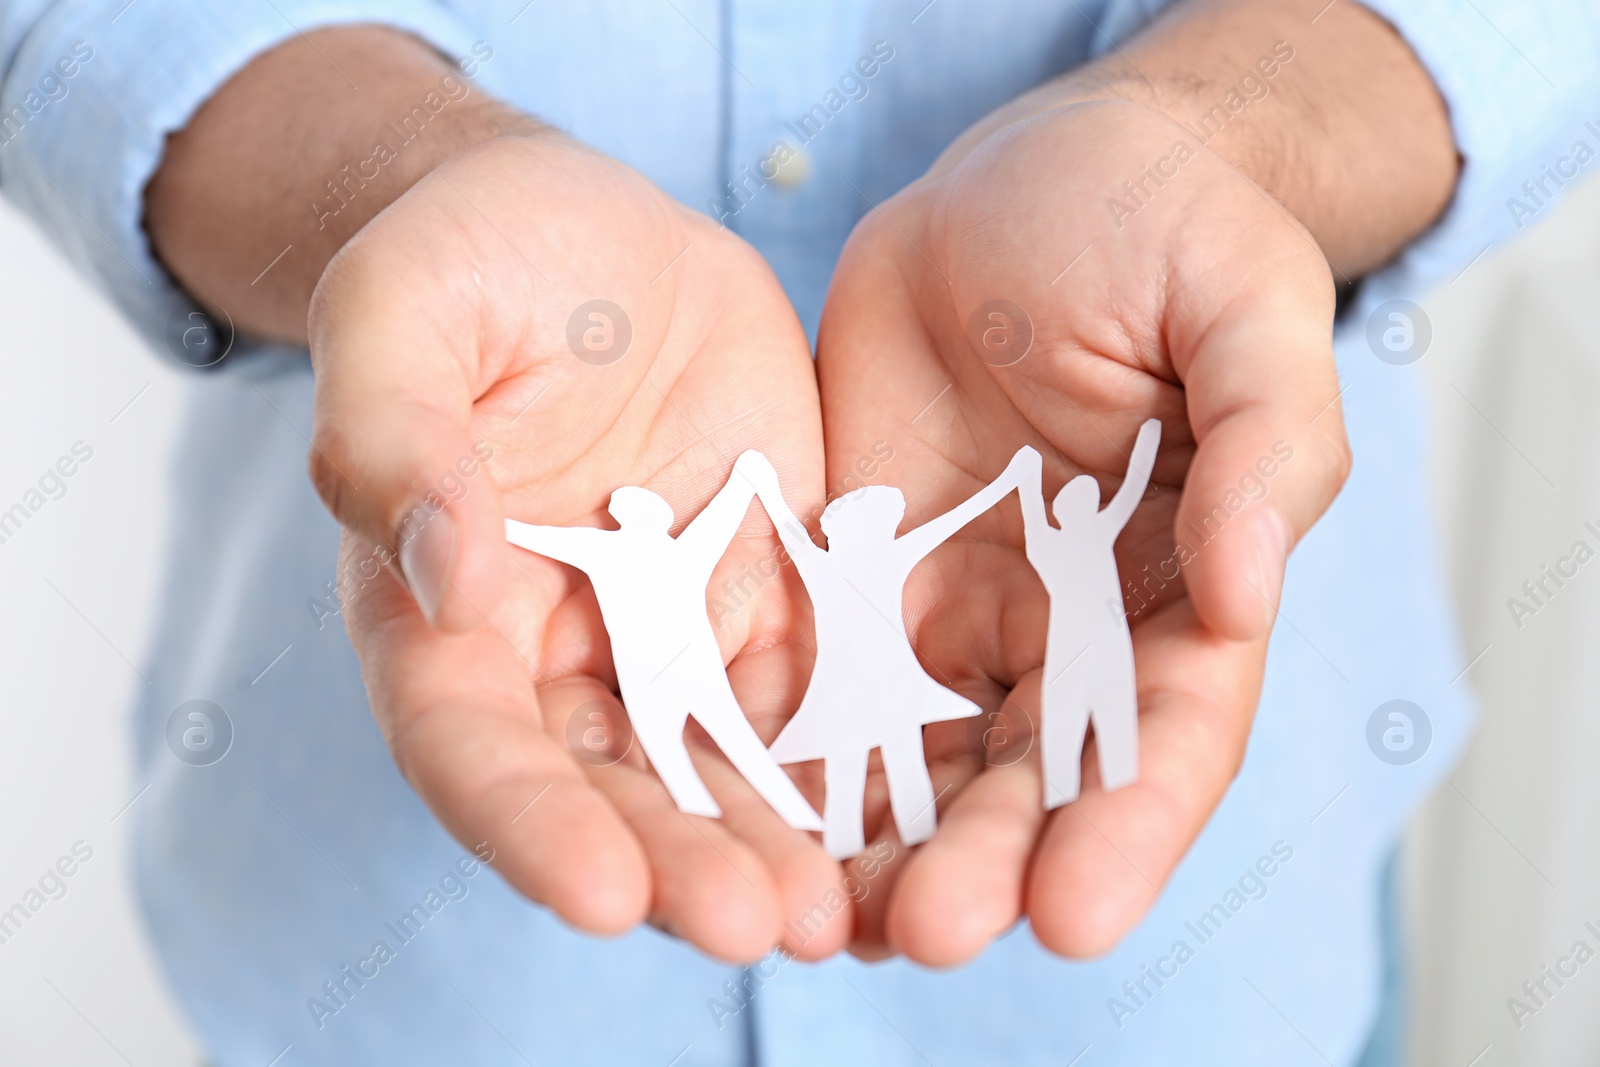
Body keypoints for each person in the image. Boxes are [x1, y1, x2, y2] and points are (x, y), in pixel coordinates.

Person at [2, 0, 1595, 1063]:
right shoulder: (630, 561)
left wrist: (1232, 132)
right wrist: (385, 179)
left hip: (1222, 958)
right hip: (382, 957)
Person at [505, 453, 824, 829]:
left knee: (678, 750)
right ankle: (789, 814)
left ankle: (765, 814)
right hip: (672, 669)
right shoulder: (667, 550)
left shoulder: (609, 548)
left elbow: (530, 534)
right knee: (722, 746)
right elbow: (721, 515)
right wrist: (743, 481)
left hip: (658, 671)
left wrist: (742, 483)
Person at [745, 448, 1026, 858]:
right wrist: (1005, 482)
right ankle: (885, 834)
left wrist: (764, 485)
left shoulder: (832, 564)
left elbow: (790, 529)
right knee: (881, 757)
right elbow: (953, 521)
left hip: (866, 686)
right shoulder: (867, 560)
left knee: (862, 761)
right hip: (872, 685)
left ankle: (871, 836)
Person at [1016, 419, 1160, 808]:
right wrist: (1148, 438)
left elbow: (1132, 488)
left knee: (1105, 731)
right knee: (1075, 733)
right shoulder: (1077, 537)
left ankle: (1086, 793)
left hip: (1093, 650)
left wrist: (1149, 436)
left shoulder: (1080, 535)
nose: (1094, 506)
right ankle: (1065, 796)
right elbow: (1131, 488)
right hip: (1079, 652)